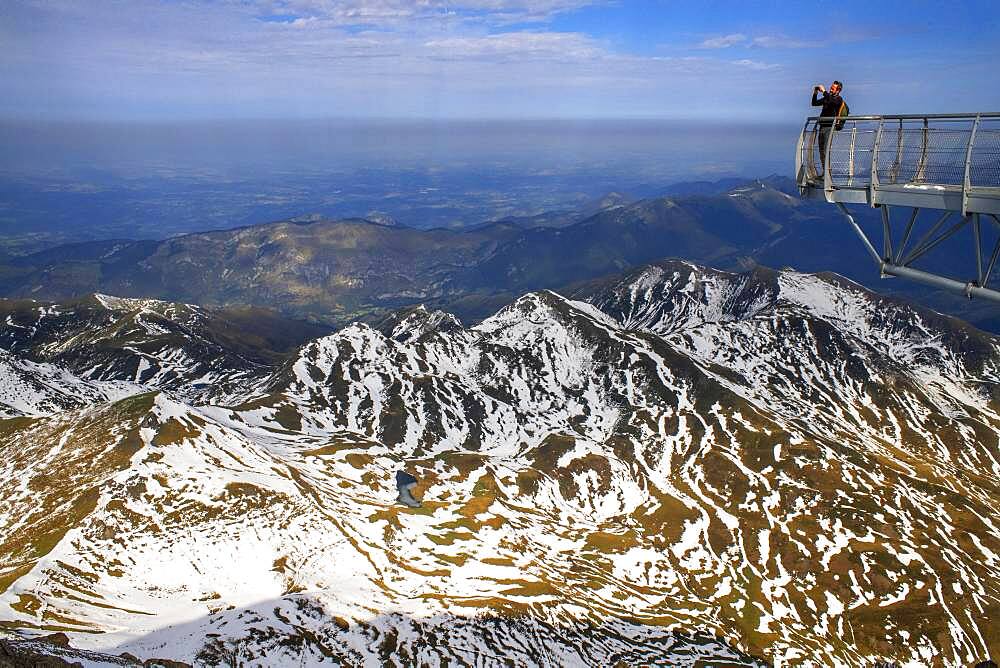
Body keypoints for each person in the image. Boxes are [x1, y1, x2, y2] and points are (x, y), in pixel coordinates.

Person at [811, 80, 847, 174]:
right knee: (821, 151)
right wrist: (815, 92)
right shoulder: (828, 98)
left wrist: (824, 92)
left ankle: (828, 173)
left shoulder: (838, 99)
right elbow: (814, 103)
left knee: (826, 151)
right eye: (830, 88)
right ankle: (825, 172)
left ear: (838, 90)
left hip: (829, 127)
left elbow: (832, 102)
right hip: (822, 127)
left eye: (833, 88)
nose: (830, 90)